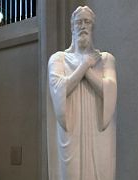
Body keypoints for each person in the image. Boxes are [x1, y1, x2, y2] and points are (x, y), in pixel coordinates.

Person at [47, 6, 117, 180]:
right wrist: (85, 65)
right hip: (71, 129)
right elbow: (59, 89)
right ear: (72, 27)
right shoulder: (58, 59)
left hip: (98, 129)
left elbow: (109, 91)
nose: (83, 26)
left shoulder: (106, 59)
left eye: (87, 22)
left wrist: (87, 70)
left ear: (92, 26)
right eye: (79, 22)